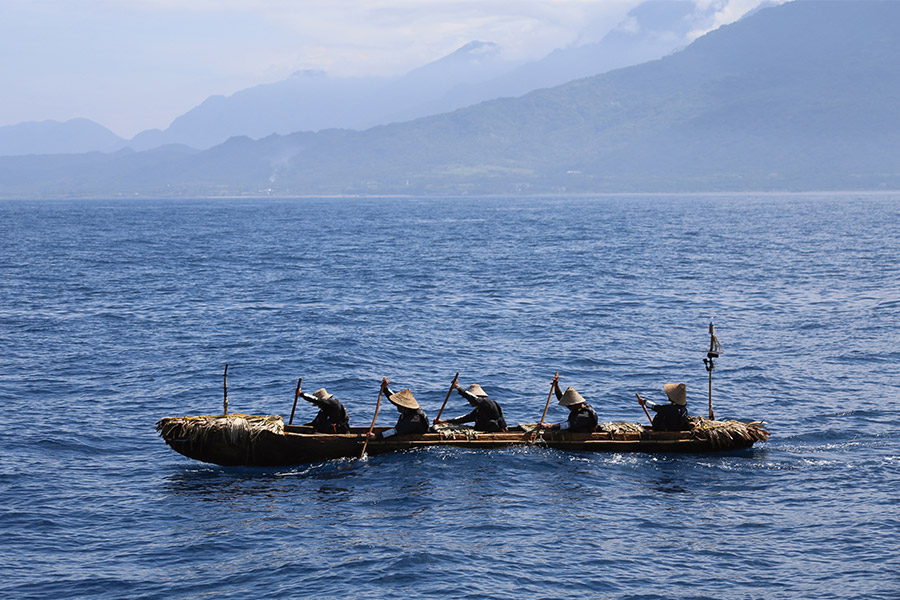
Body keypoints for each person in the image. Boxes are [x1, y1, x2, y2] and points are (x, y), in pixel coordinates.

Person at [433, 380, 507, 432]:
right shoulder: (479, 411)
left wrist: (457, 387)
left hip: (496, 431)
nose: (469, 402)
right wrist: (443, 422)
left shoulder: (488, 403)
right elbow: (464, 419)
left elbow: (472, 398)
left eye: (470, 400)